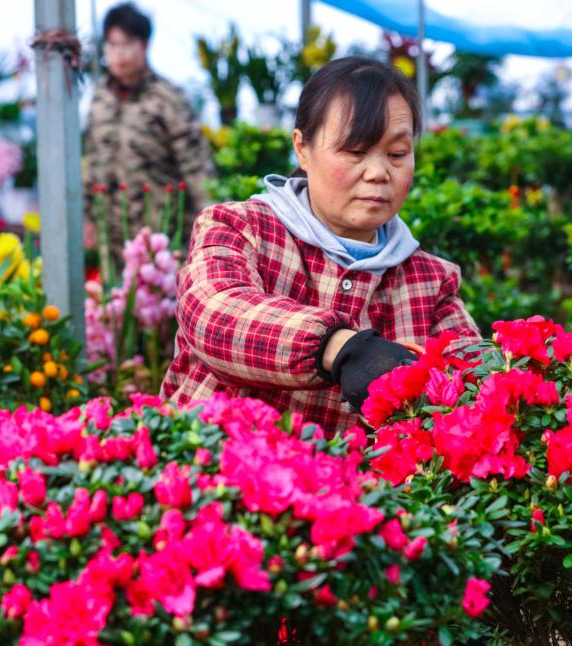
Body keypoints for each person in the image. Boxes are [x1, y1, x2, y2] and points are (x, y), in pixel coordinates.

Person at [161, 56, 481, 435]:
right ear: (302, 148)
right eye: (355, 151)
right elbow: (212, 315)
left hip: (356, 491)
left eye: (397, 154)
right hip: (214, 474)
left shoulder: (428, 281)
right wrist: (339, 347)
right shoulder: (240, 228)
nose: (379, 173)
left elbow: (473, 384)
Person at [84, 2, 215, 263]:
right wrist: (87, 217)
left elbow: (196, 165)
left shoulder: (168, 98)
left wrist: (212, 227)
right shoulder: (100, 98)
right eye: (111, 45)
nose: (119, 54)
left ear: (144, 45)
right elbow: (91, 161)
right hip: (110, 235)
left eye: (127, 44)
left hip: (161, 234)